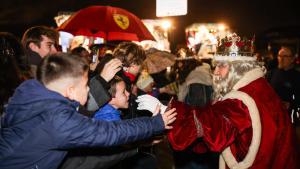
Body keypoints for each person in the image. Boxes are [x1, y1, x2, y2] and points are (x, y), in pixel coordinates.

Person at [137, 33, 299, 169]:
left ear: (238, 69)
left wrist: (167, 110)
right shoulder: (259, 87)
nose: (216, 73)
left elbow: (214, 124)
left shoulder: (242, 99)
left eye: (221, 66)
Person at [0, 53, 177, 169]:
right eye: (85, 85)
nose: (88, 90)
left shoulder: (33, 95)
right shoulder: (57, 120)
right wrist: (155, 123)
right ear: (69, 90)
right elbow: (110, 132)